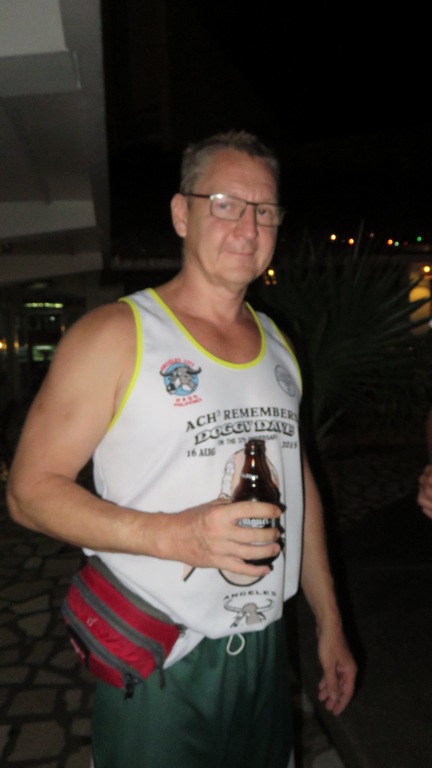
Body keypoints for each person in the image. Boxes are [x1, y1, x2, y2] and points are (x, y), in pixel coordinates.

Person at [7, 130, 357, 768]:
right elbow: (28, 494)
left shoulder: (278, 342)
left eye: (265, 209)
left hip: (264, 650)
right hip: (160, 656)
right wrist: (175, 537)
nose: (248, 227)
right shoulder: (116, 334)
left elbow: (296, 479)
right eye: (225, 203)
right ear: (181, 213)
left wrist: (328, 617)